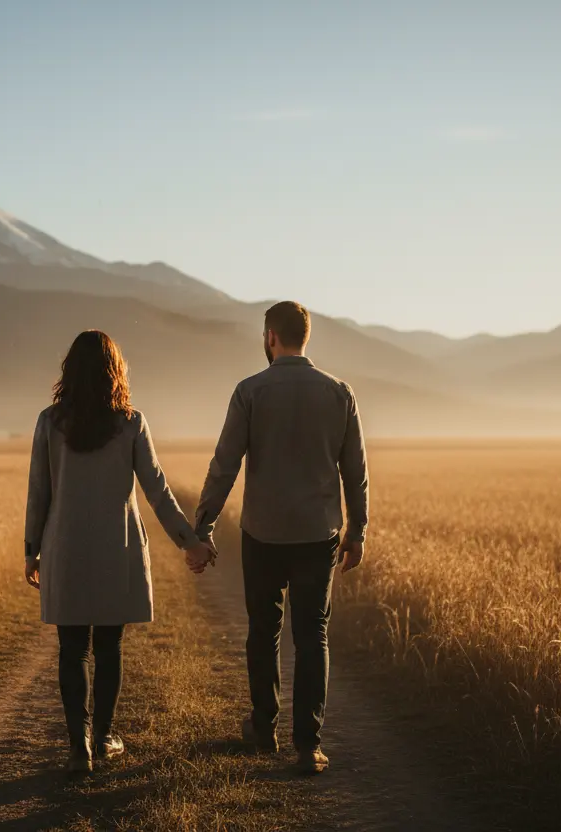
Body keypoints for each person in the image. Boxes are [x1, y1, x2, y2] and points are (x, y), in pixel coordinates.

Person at [24, 330, 215, 776]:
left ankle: (79, 747)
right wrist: (191, 542)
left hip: (64, 547)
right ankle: (104, 737)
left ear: (68, 371)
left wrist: (32, 550)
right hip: (118, 547)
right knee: (108, 647)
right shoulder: (131, 422)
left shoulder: (48, 422)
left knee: (72, 649)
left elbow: (39, 492)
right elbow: (158, 491)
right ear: (116, 371)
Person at [194, 301, 369, 775]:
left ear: (271, 335)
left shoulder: (250, 391)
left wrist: (203, 525)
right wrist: (358, 529)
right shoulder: (339, 393)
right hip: (318, 535)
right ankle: (308, 745)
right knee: (313, 634)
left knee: (263, 630)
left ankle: (264, 727)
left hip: (263, 534)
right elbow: (355, 473)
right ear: (304, 336)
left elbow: (224, 465)